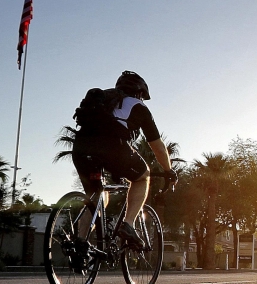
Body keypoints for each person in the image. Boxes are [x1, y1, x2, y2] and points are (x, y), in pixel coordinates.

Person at [71, 71, 177, 250]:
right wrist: (168, 170)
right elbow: (157, 146)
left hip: (81, 146)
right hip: (112, 146)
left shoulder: (103, 99)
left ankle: (80, 244)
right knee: (143, 176)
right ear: (139, 93)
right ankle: (128, 224)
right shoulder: (138, 106)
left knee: (96, 197)